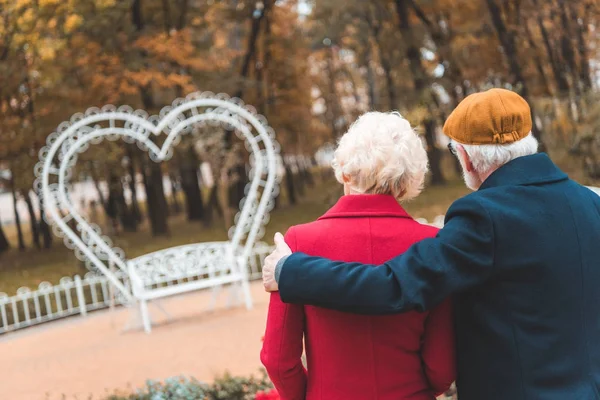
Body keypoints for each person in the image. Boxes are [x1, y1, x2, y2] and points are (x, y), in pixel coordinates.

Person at [262, 88, 600, 400]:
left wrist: (290, 269)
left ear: (466, 157)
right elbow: (439, 368)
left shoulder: (483, 216)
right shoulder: (590, 204)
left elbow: (393, 286)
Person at [260, 112, 456, 400]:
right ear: (410, 178)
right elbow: (441, 366)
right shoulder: (432, 244)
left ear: (344, 171)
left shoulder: (299, 243)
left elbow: (278, 358)